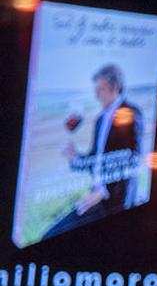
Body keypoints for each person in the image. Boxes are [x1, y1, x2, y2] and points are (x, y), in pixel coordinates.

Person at [44, 63, 144, 238]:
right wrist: (75, 158)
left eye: (100, 89)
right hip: (95, 198)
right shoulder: (100, 120)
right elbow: (95, 162)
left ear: (115, 87)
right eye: (96, 89)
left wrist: (103, 190)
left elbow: (133, 159)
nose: (96, 95)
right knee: (51, 234)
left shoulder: (131, 113)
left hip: (115, 202)